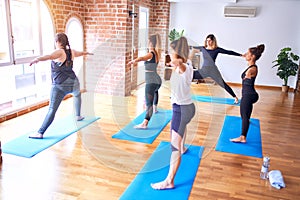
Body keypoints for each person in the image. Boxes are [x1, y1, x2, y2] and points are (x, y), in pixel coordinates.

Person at [28, 33, 93, 139]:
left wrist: (37, 59)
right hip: (73, 81)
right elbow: (80, 53)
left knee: (52, 109)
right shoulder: (71, 51)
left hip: (60, 85)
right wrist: (87, 52)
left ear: (58, 42)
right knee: (77, 95)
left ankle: (40, 132)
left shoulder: (59, 51)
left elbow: (49, 56)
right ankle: (78, 115)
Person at [151, 37, 195, 190]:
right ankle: (183, 146)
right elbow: (184, 63)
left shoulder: (183, 66)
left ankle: (169, 181)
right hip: (188, 108)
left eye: (172, 52)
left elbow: (181, 65)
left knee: (173, 147)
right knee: (181, 132)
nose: (170, 54)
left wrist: (176, 62)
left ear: (178, 54)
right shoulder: (188, 65)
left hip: (181, 110)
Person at [191, 34, 244, 104]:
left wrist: (240, 55)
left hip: (213, 71)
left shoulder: (216, 49)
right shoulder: (203, 48)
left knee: (223, 84)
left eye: (210, 41)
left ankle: (235, 97)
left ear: (213, 41)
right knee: (189, 75)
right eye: (207, 40)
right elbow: (191, 47)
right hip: (204, 71)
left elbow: (228, 52)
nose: (208, 42)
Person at [230, 44, 265, 143]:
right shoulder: (252, 67)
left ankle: (242, 137)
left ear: (253, 56)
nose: (246, 54)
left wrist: (247, 76)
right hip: (250, 94)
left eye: (248, 53)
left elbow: (249, 74)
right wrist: (244, 55)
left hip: (249, 95)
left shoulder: (252, 69)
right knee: (245, 114)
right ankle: (247, 122)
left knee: (243, 115)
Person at [127, 33, 162, 129]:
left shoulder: (151, 54)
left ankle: (144, 124)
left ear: (151, 43)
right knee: (155, 92)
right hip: (157, 80)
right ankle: (155, 108)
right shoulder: (157, 53)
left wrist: (133, 61)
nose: (147, 43)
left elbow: (142, 58)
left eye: (148, 41)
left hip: (151, 81)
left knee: (148, 103)